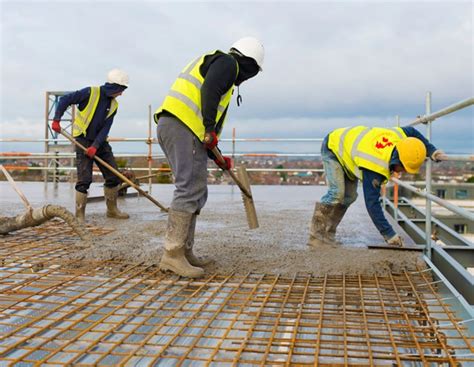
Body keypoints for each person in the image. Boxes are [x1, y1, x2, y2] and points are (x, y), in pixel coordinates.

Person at [154, 37, 264, 277]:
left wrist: (219, 157)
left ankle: (184, 251)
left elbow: (208, 125)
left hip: (175, 125)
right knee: (189, 188)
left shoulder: (218, 63)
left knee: (196, 188)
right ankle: (172, 255)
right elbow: (209, 91)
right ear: (250, 64)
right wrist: (208, 128)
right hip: (183, 126)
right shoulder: (228, 63)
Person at [308, 125, 444, 247]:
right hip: (333, 147)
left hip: (349, 152)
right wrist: (389, 234)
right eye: (403, 167)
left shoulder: (400, 138)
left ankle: (327, 235)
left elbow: (413, 132)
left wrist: (432, 150)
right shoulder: (374, 165)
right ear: (397, 159)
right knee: (336, 193)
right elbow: (372, 204)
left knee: (349, 197)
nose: (402, 172)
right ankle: (316, 236)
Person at [51, 69, 130, 223]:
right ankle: (79, 215)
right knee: (84, 179)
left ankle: (112, 210)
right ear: (115, 87)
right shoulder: (90, 92)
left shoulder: (114, 105)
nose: (121, 94)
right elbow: (64, 100)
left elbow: (106, 128)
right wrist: (56, 119)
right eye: (121, 90)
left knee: (113, 175)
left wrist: (96, 145)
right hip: (82, 139)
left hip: (99, 142)